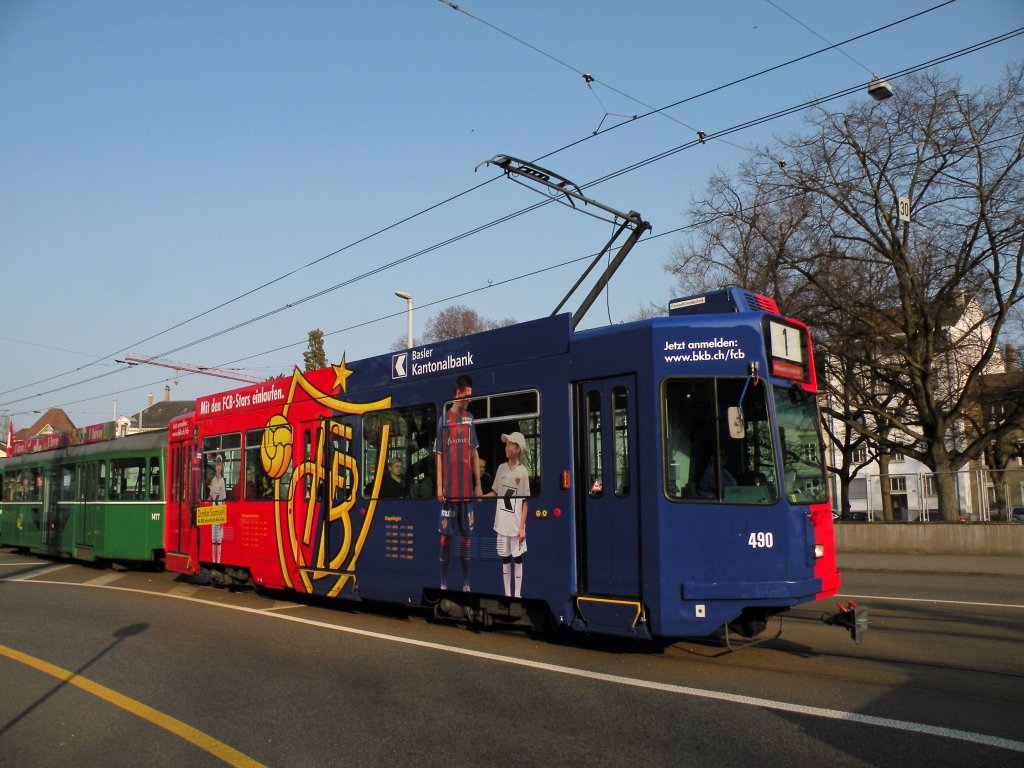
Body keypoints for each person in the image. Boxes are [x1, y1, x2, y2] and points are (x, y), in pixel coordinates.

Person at [435, 374, 482, 591]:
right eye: (466, 396)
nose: (469, 400)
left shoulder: (469, 419)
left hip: (466, 493)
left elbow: (473, 452)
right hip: (450, 492)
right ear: (457, 393)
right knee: (445, 539)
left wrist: (478, 484)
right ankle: (443, 582)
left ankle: (466, 583)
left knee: (465, 539)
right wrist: (439, 485)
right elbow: (439, 454)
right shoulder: (444, 421)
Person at [486, 432, 530, 598]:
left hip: (516, 524)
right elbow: (495, 492)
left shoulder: (523, 471)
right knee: (504, 558)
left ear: (517, 449)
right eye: (506, 444)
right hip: (502, 524)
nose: (506, 447)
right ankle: (507, 593)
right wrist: (479, 497)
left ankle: (517, 594)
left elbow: (525, 501)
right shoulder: (501, 468)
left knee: (517, 558)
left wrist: (522, 528)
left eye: (510, 444)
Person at [208, 454, 226, 563]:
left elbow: (223, 500)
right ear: (215, 467)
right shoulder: (213, 480)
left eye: (220, 465)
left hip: (219, 509)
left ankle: (218, 561)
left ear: (222, 467)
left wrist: (222, 518)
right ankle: (213, 561)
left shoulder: (222, 481)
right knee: (213, 539)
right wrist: (206, 500)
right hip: (213, 509)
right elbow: (211, 495)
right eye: (217, 465)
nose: (218, 467)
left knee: (219, 539)